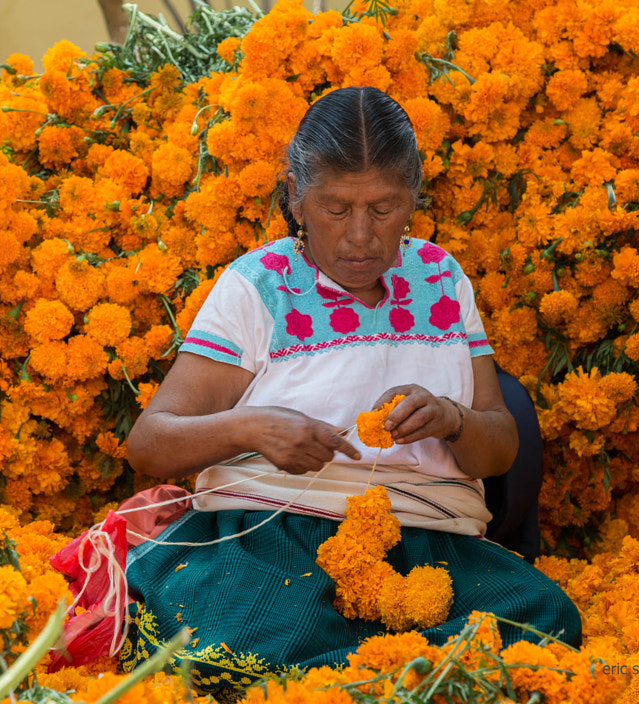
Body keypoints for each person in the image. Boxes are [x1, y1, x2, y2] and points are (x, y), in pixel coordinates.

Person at [120, 86, 581, 698]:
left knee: (544, 625)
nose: (361, 235)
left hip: (430, 545)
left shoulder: (442, 279)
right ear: (295, 197)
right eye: (336, 209)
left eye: (384, 208)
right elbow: (149, 445)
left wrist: (451, 419)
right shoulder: (259, 287)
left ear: (414, 196)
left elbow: (498, 450)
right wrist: (252, 429)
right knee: (256, 644)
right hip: (273, 540)